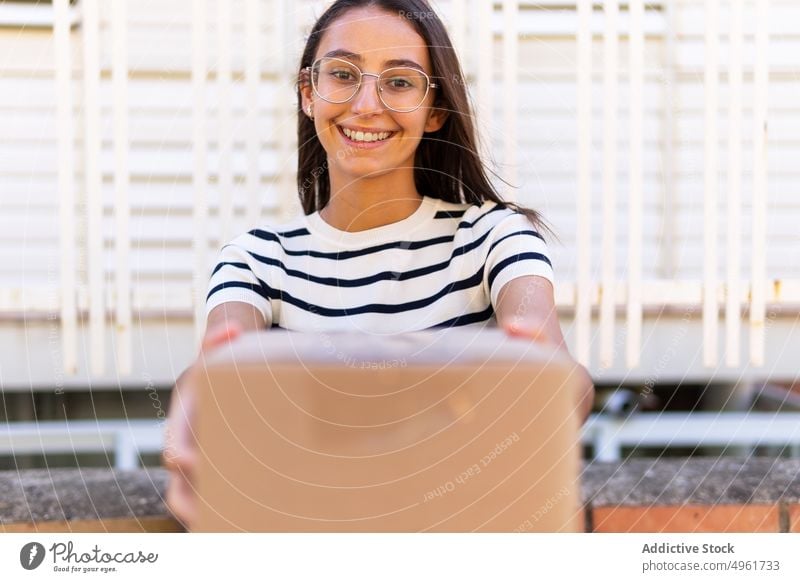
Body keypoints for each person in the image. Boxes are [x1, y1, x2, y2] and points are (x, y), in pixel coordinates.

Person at [163, 0, 594, 529]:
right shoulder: (258, 258)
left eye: (400, 82)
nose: (367, 104)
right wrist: (197, 410)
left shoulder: (492, 236)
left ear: (435, 109)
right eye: (342, 75)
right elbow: (216, 375)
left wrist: (542, 384)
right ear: (307, 92)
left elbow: (557, 375)